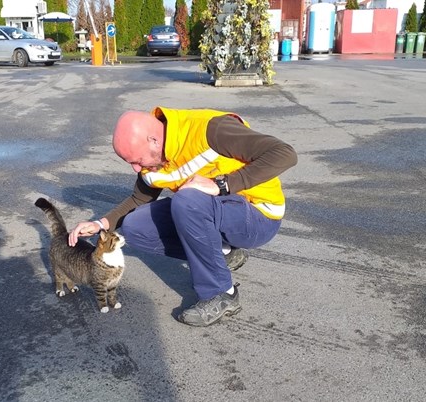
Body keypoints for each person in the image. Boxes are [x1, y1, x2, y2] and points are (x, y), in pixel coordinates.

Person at [68, 107, 297, 326]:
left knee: (187, 201)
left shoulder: (210, 130)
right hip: (215, 213)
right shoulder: (153, 162)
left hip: (258, 216)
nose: (136, 169)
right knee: (134, 226)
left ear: (154, 141)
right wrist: (100, 224)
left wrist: (222, 185)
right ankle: (223, 254)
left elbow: (284, 154)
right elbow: (139, 199)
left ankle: (221, 294)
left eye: (136, 161)